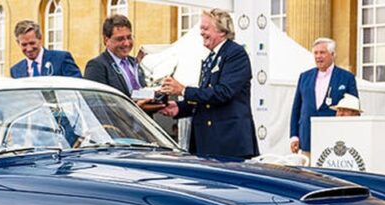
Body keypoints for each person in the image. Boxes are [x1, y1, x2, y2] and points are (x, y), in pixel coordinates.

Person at [158, 9, 258, 159]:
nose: (201, 33)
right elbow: (205, 98)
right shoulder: (210, 58)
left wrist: (183, 90)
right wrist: (179, 108)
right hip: (208, 144)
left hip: (228, 144)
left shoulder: (235, 54)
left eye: (205, 28)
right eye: (201, 28)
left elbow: (222, 93)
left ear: (222, 31)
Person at [288, 38, 358, 156]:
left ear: (332, 54)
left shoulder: (346, 78)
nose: (318, 56)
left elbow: (354, 109)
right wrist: (294, 136)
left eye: (322, 52)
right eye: (315, 53)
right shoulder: (304, 77)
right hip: (307, 141)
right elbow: (296, 109)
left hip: (334, 143)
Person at [84, 15, 162, 114]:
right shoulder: (97, 66)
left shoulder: (136, 63)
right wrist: (133, 109)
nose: (126, 43)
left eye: (129, 37)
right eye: (120, 39)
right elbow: (96, 105)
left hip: (143, 126)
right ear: (106, 40)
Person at [9, 20, 82, 79]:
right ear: (18, 43)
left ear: (40, 39)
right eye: (24, 44)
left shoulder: (61, 59)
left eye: (32, 43)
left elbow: (78, 86)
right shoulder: (16, 71)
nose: (29, 49)